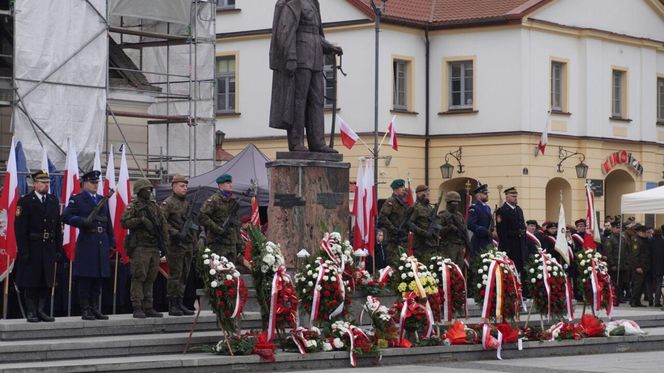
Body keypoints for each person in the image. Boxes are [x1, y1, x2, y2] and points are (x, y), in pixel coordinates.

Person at [269, 0, 342, 153]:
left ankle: (317, 142)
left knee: (317, 101)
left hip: (315, 56)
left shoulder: (313, 3)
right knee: (298, 100)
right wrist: (290, 56)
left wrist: (329, 47)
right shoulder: (293, 2)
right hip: (300, 55)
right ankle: (296, 142)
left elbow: (315, 33)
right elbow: (285, 31)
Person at [62, 170, 115, 321]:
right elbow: (66, 216)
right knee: (86, 278)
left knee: (98, 278)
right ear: (85, 183)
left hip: (101, 241)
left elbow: (108, 222)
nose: (95, 185)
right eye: (92, 182)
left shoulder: (101, 199)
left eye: (97, 182)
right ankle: (85, 308)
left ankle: (95, 307)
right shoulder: (77, 199)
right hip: (87, 241)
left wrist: (111, 241)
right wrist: (81, 221)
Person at [14, 171, 63, 322]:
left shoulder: (53, 200)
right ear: (35, 184)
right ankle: (31, 311)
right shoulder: (26, 201)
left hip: (48, 247)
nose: (46, 185)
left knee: (46, 280)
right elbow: (20, 229)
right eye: (42, 182)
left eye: (47, 182)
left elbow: (57, 227)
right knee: (31, 281)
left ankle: (41, 310)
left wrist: (58, 248)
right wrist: (24, 251)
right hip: (32, 246)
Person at [121, 179, 168, 318]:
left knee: (151, 278)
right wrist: (140, 220)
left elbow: (163, 224)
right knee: (139, 276)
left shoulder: (154, 207)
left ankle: (148, 306)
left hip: (153, 246)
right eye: (146, 189)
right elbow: (124, 222)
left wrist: (165, 243)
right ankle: (137, 306)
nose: (149, 192)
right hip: (140, 247)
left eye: (150, 189)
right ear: (139, 191)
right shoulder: (133, 206)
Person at [160, 175, 196, 316]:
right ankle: (173, 304)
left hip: (187, 244)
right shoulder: (168, 203)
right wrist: (175, 233)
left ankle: (180, 302)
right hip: (174, 244)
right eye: (182, 186)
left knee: (184, 275)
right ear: (174, 187)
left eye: (186, 186)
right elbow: (162, 222)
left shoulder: (186, 202)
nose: (185, 188)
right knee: (175, 275)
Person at [199, 174, 243, 262]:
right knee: (219, 273)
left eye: (231, 182)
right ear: (220, 185)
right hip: (218, 243)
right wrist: (217, 229)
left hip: (232, 244)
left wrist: (239, 243)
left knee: (231, 272)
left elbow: (236, 224)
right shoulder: (214, 200)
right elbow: (202, 216)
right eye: (227, 183)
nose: (231, 185)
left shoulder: (233, 201)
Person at [495, 187, 528, 276]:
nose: (515, 198)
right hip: (510, 245)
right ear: (507, 197)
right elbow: (501, 232)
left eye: (516, 196)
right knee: (511, 270)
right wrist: (506, 248)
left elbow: (523, 227)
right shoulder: (502, 211)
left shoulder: (519, 210)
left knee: (521, 270)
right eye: (513, 196)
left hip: (520, 245)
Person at [377, 179, 409, 260]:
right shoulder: (391, 201)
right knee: (393, 263)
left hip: (403, 238)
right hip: (393, 239)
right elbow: (382, 217)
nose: (403, 189)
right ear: (395, 189)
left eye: (403, 187)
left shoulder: (403, 202)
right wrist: (394, 229)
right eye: (401, 187)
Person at [437, 191, 469, 268]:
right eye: (453, 202)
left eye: (457, 202)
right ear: (448, 203)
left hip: (460, 246)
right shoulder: (442, 215)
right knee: (449, 269)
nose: (456, 204)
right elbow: (438, 232)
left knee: (459, 270)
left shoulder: (459, 215)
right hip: (448, 247)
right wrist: (449, 227)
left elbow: (464, 229)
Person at [409, 185, 438, 260]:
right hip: (420, 245)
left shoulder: (429, 207)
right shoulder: (415, 207)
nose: (428, 193)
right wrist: (423, 233)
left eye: (428, 191)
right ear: (418, 194)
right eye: (425, 192)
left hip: (431, 243)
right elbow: (410, 224)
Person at [467, 183, 493, 260]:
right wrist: (482, 230)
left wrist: (492, 230)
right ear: (478, 195)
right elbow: (470, 224)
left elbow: (490, 222)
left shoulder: (487, 208)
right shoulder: (474, 207)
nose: (487, 195)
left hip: (488, 240)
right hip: (478, 241)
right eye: (484, 193)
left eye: (487, 193)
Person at [629, 224, 650, 307]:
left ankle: (637, 301)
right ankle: (633, 300)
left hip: (644, 266)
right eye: (645, 232)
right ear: (640, 232)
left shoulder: (643, 240)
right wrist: (637, 266)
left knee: (641, 285)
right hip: (638, 267)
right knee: (637, 285)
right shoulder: (636, 240)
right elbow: (635, 255)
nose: (646, 234)